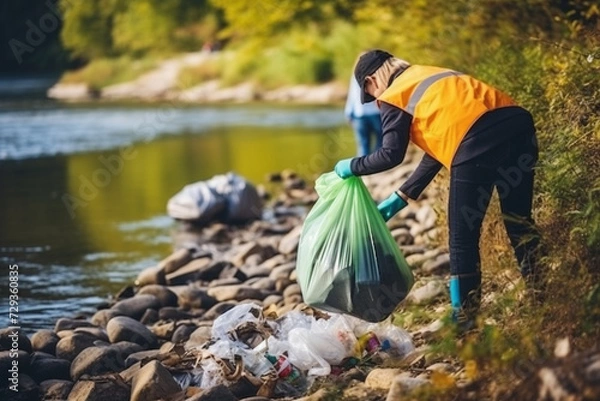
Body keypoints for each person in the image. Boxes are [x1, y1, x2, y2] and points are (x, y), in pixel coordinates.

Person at [334, 50, 542, 327]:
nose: (374, 99)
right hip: (518, 126)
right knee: (519, 221)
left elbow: (390, 155)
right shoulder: (430, 73)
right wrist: (403, 195)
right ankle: (544, 295)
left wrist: (351, 166)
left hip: (477, 141)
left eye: (369, 92)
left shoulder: (393, 95)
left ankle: (464, 322)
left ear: (372, 79)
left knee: (462, 238)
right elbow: (445, 140)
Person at [344, 71, 383, 156]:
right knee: (381, 140)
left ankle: (363, 168)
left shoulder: (355, 75)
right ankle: (377, 165)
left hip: (359, 114)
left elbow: (352, 95)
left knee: (363, 145)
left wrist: (348, 113)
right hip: (375, 113)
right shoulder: (375, 73)